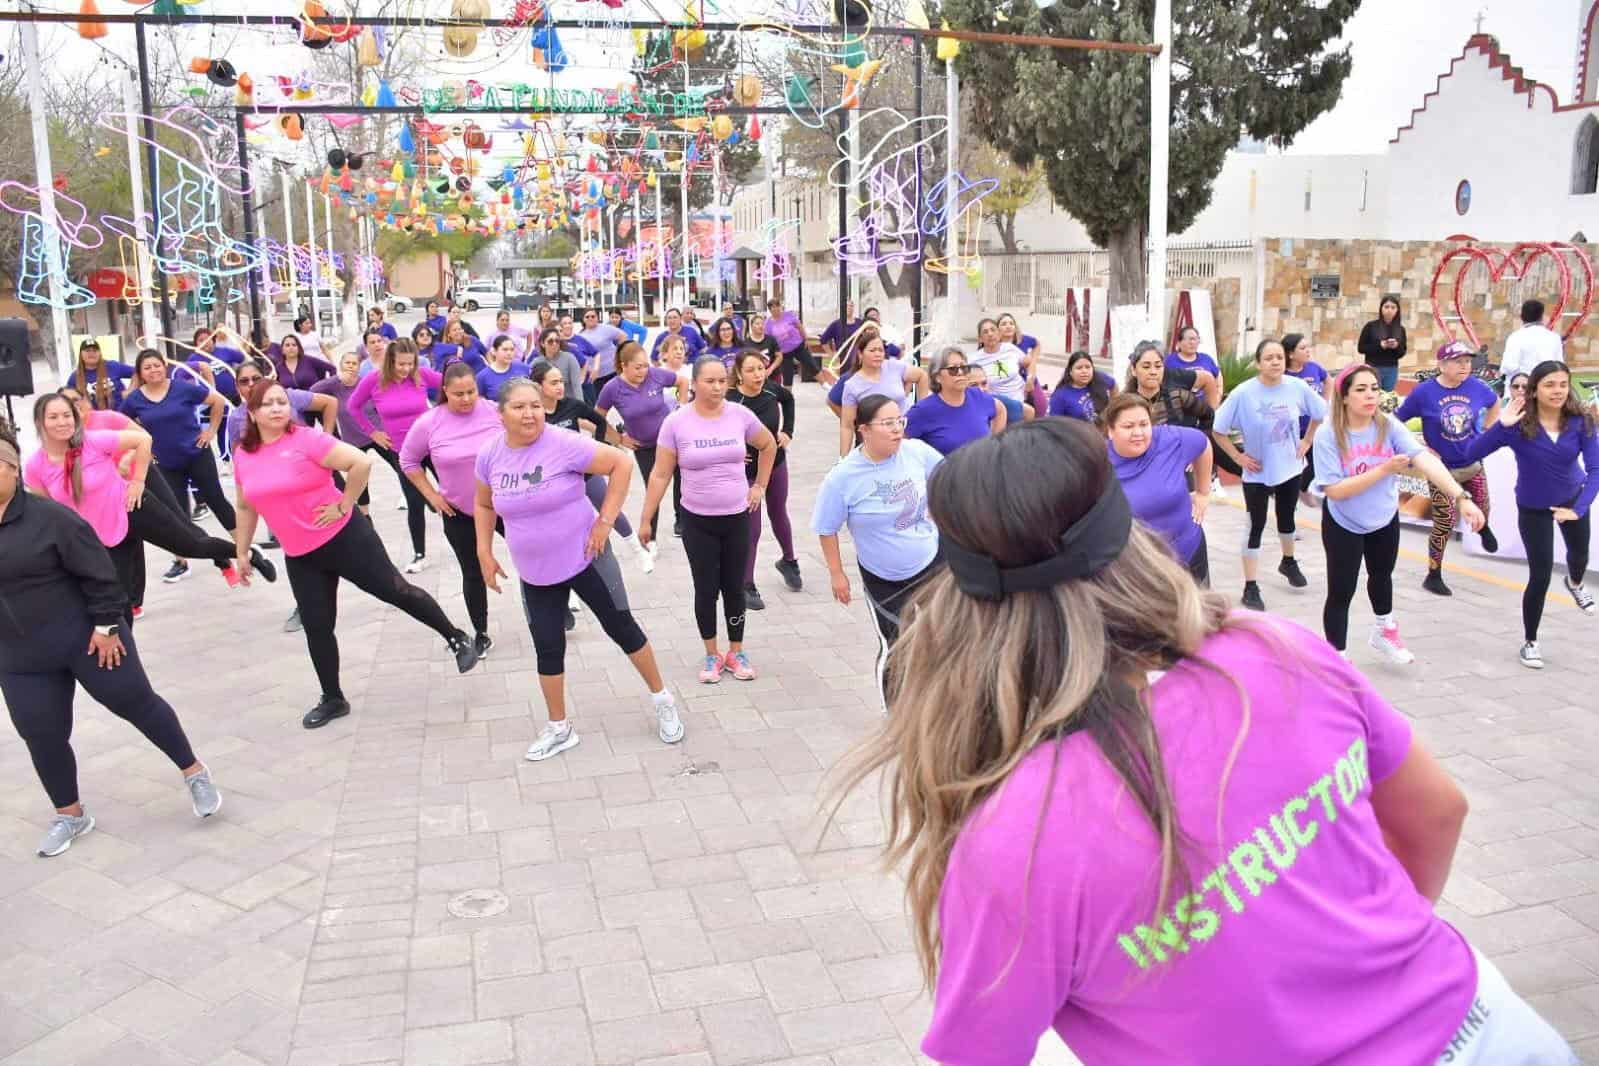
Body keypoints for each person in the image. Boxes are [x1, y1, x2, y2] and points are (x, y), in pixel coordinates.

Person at [826, 414, 1576, 1066]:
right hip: (1486, 1028)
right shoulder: (1273, 647)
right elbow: (1437, 810)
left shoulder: (1012, 836)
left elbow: (979, 1053)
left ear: (961, 600)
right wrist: (1355, 973)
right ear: (1129, 534)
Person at [0, 419, 223, 859]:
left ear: (10, 469)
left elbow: (101, 575)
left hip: (88, 637)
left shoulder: (51, 519)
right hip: (20, 655)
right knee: (41, 734)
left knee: (136, 703)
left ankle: (193, 770)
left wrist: (105, 627)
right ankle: (70, 814)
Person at [232, 382, 480, 728]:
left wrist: (344, 504)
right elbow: (245, 506)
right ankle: (333, 698)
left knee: (395, 590)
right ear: (252, 411)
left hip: (344, 537)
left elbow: (360, 463)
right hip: (300, 554)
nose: (276, 409)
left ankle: (456, 637)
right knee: (317, 627)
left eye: (282, 402)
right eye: (268, 404)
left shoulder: (307, 439)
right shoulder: (244, 454)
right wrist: (242, 551)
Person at [474, 378, 683, 761]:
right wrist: (484, 551)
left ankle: (662, 698)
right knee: (548, 646)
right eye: (519, 407)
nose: (530, 413)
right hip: (535, 570)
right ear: (500, 414)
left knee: (622, 627)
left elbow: (620, 463)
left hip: (587, 557)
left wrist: (604, 522)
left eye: (536, 405)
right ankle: (559, 728)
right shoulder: (490, 455)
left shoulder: (562, 443)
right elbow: (484, 505)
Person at [25, 392, 276, 605]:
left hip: (133, 507)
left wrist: (137, 482)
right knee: (118, 597)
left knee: (190, 545)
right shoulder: (36, 466)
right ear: (40, 422)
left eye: (67, 415)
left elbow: (143, 439)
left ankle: (247, 553)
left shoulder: (93, 441)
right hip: (100, 536)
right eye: (54, 417)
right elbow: (47, 512)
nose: (62, 422)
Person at [1315, 364, 1487, 665]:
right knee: (1341, 590)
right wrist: (1383, 469)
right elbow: (1336, 491)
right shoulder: (1328, 434)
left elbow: (1426, 462)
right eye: (1360, 389)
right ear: (1343, 397)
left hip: (1383, 517)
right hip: (1344, 521)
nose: (1370, 395)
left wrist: (1461, 498)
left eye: (1374, 388)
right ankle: (1336, 659)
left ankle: (1384, 631)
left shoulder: (1388, 425)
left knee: (1382, 577)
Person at [639, 356, 777, 683]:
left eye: (721, 381)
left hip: (736, 517)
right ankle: (712, 654)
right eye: (709, 382)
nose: (717, 388)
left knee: (734, 586)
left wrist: (759, 485)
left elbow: (768, 444)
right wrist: (646, 519)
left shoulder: (740, 415)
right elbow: (660, 473)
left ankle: (736, 651)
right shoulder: (677, 422)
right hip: (697, 519)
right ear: (695, 383)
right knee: (706, 588)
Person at [1460, 360, 1599, 669]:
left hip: (1572, 502)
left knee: (1579, 558)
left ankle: (1575, 584)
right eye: (1550, 385)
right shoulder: (1519, 425)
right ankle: (1531, 641)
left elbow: (1595, 470)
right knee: (1541, 574)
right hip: (1533, 505)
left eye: (1563, 384)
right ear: (1534, 390)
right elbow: (1471, 454)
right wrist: (1502, 424)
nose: (1558, 391)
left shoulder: (1582, 422)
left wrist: (1577, 510)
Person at [814, 394, 943, 698]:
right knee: (896, 645)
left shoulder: (917, 452)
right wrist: (837, 574)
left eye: (900, 420)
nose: (897, 428)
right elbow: (826, 528)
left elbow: (947, 477)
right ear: (864, 429)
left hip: (931, 559)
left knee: (943, 633)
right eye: (887, 423)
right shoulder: (842, 477)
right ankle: (894, 715)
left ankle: (938, 702)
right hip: (884, 576)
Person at [1211, 338, 1327, 611]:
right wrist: (1238, 457)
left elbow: (1320, 413)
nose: (1275, 362)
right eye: (1269, 358)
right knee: (1256, 526)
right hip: (1257, 473)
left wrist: (1307, 440)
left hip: (1290, 467)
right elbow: (1218, 429)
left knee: (1288, 519)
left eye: (1279, 357)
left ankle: (1288, 561)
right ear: (1258, 363)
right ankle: (1250, 586)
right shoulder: (1243, 393)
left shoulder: (1296, 387)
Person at [400, 364, 504, 659]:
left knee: (535, 554)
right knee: (472, 571)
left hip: (505, 504)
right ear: (444, 391)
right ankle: (481, 632)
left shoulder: (495, 411)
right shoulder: (430, 422)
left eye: (471, 391)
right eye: (458, 394)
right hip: (459, 510)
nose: (466, 399)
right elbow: (408, 461)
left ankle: (558, 608)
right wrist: (431, 495)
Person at [119, 350, 238, 585]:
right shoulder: (134, 400)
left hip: (197, 454)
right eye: (147, 367)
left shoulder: (181, 388)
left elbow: (217, 401)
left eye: (157, 365)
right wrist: (138, 447)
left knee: (216, 500)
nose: (154, 370)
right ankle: (183, 562)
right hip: (165, 463)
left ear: (165, 366)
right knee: (177, 515)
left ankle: (244, 547)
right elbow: (122, 426)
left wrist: (211, 431)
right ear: (140, 373)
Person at [1395, 339, 1503, 596]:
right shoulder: (1424, 392)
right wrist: (1420, 446)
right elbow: (1397, 422)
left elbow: (1495, 402)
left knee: (1483, 505)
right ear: (1442, 364)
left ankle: (1483, 528)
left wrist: (1486, 430)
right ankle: (1433, 574)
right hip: (1440, 468)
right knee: (1444, 522)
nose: (1465, 366)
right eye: (1458, 361)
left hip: (1473, 462)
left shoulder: (1477, 387)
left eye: (1467, 361)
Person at [531, 359, 651, 574]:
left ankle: (638, 551)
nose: (560, 386)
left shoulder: (571, 405)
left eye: (561, 381)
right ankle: (568, 580)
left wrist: (597, 446)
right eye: (554, 382)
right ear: (540, 386)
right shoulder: (533, 414)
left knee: (609, 510)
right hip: (556, 480)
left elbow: (600, 420)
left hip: (584, 472)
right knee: (564, 529)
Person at [348, 338, 443, 573]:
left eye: (410, 364)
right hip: (402, 451)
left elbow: (451, 384)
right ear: (391, 360)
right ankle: (419, 553)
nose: (405, 369)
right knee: (414, 502)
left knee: (451, 492)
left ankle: (468, 539)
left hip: (431, 446)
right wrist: (373, 433)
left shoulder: (420, 374)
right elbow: (353, 406)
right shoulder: (374, 379)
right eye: (401, 364)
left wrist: (444, 416)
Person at [1104, 393, 1213, 585]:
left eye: (1144, 424)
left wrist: (1203, 492)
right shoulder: (1097, 461)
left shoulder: (1170, 440)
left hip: (1189, 554)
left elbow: (1203, 444)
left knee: (1200, 614)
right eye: (1128, 426)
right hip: (1136, 571)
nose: (1138, 432)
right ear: (1111, 431)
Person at [729, 350, 801, 608]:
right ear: (738, 373)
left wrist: (787, 431)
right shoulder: (730, 399)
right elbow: (716, 428)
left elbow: (789, 399)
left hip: (776, 463)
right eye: (750, 370)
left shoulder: (772, 390)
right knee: (753, 527)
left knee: (779, 512)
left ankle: (789, 561)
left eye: (760, 368)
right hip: (746, 473)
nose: (758, 374)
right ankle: (746, 584)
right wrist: (733, 454)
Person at [597, 342, 682, 549]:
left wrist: (684, 408)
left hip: (671, 441)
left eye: (645, 366)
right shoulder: (613, 388)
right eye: (637, 367)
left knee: (683, 481)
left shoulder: (655, 375)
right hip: (643, 446)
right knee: (653, 488)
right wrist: (618, 438)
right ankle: (650, 538)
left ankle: (682, 522)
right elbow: (597, 416)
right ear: (624, 365)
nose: (643, 371)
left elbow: (683, 381)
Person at [839, 330, 931, 456]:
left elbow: (922, 376)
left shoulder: (894, 367)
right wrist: (843, 458)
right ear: (860, 354)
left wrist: (921, 410)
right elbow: (847, 426)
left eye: (880, 350)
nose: (877, 354)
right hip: (874, 446)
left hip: (904, 438)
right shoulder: (852, 386)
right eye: (872, 350)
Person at [905, 348, 1007, 456]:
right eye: (953, 369)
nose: (960, 372)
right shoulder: (923, 410)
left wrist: (995, 446)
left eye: (964, 368)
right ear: (937, 377)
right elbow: (899, 439)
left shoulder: (978, 396)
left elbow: (1000, 410)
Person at [226, 357, 337, 449]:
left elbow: (330, 403)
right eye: (244, 381)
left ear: (265, 379)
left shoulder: (286, 396)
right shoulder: (236, 418)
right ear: (237, 387)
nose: (251, 384)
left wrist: (325, 440)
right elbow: (238, 457)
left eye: (256, 378)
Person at [1283, 332, 1329, 504]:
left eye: (1307, 347)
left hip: (1314, 428)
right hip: (1289, 431)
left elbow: (1328, 380)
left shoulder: (1314, 368)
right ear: (1291, 354)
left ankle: (1302, 489)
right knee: (1289, 468)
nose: (1307, 351)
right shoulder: (1283, 375)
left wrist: (1324, 401)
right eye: (1302, 348)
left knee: (1317, 463)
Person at [969, 317, 1032, 416]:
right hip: (997, 406)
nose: (990, 334)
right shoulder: (973, 359)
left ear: (998, 334)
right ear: (980, 338)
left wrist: (1030, 378)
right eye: (985, 332)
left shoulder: (1010, 348)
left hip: (1021, 400)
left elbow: (1028, 362)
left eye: (993, 330)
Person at [1500, 298, 1565, 386]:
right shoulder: (1554, 337)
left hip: (1523, 388)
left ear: (1522, 317)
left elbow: (1509, 366)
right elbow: (1559, 365)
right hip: (1547, 385)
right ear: (1541, 317)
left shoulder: (1516, 337)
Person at [765, 296, 825, 387]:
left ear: (780, 307)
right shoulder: (768, 324)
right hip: (784, 352)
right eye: (773, 307)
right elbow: (769, 340)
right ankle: (788, 397)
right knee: (787, 375)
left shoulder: (788, 315)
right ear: (770, 310)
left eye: (777, 306)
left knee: (811, 364)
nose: (776, 309)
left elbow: (799, 326)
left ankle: (824, 384)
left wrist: (805, 339)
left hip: (798, 346)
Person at [1047, 351, 1116, 424]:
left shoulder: (1099, 378)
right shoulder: (1060, 396)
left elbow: (1114, 385)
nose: (1084, 371)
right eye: (1079, 368)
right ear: (1070, 371)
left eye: (1088, 367)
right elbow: (1054, 425)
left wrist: (1112, 409)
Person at [1356, 293, 1407, 392]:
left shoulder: (1400, 329)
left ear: (1397, 310)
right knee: (1372, 394)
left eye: (1393, 307)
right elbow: (1361, 348)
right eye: (1386, 307)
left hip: (1392, 369)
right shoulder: (1370, 326)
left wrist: (1396, 346)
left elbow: (1402, 352)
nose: (1389, 310)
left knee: (1387, 398)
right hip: (1373, 367)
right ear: (1381, 308)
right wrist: (1380, 345)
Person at [70, 338, 135, 410]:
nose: (91, 353)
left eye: (95, 350)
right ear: (81, 354)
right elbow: (67, 399)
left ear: (100, 353)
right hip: (93, 418)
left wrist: (130, 390)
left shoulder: (113, 366)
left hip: (121, 414)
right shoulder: (75, 377)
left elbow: (139, 372)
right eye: (87, 351)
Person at [578, 307, 629, 395]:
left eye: (593, 316)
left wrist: (620, 353)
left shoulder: (606, 328)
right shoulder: (580, 336)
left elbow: (623, 336)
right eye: (587, 317)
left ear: (597, 317)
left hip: (613, 372)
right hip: (596, 376)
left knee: (622, 399)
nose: (590, 318)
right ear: (583, 319)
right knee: (600, 404)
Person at [474, 334, 534, 401]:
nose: (509, 353)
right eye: (505, 349)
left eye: (512, 350)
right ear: (494, 351)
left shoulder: (523, 368)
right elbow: (479, 401)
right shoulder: (482, 377)